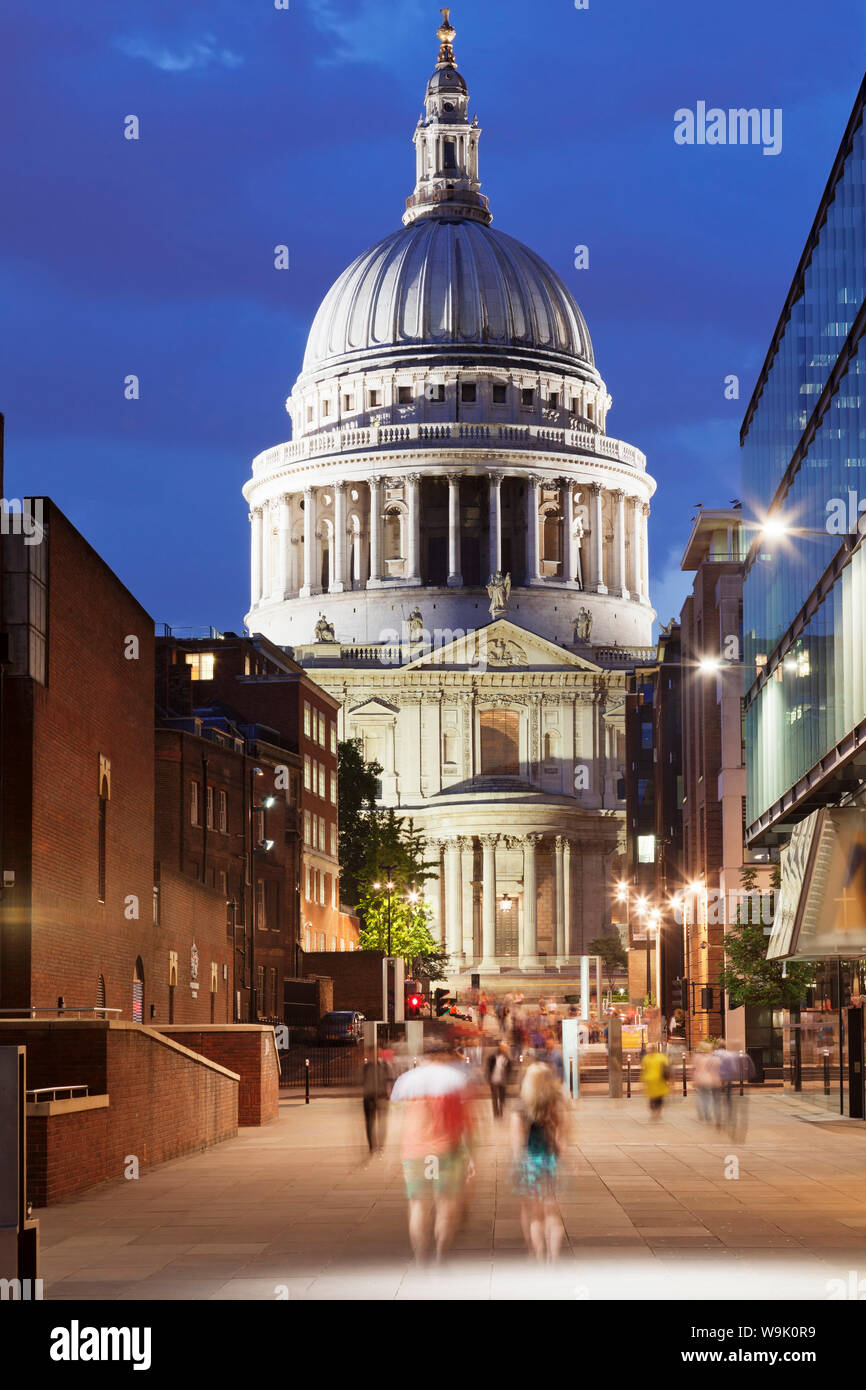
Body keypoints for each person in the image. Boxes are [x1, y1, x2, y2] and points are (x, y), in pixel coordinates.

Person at [389, 1039, 474, 1263]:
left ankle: (419, 1257)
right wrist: (470, 1155)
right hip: (446, 1150)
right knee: (446, 1205)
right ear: (443, 1055)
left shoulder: (405, 1081)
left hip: (415, 1151)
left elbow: (398, 1120)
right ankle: (441, 1255)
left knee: (418, 1206)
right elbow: (464, 1121)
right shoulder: (455, 1080)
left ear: (425, 1055)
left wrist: (393, 1152)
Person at [511, 1063, 566, 1262]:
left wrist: (517, 1165)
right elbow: (561, 1138)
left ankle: (540, 1256)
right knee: (552, 1214)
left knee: (535, 1216)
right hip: (550, 1161)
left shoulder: (520, 1107)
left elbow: (518, 1142)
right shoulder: (553, 1105)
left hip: (529, 1163)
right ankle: (554, 1258)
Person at [361, 1054, 387, 1154]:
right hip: (369, 1096)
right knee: (370, 1122)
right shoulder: (366, 1067)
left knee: (380, 1122)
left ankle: (379, 1145)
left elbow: (387, 1080)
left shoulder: (383, 1065)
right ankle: (372, 1146)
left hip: (379, 1096)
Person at [692, 1042, 722, 1124]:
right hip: (710, 1079)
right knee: (708, 1097)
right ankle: (708, 1114)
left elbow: (694, 1068)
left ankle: (704, 1112)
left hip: (700, 1079)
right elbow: (717, 1069)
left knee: (701, 1096)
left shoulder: (697, 1057)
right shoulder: (713, 1058)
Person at [640, 1044, 670, 1119]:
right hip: (660, 1080)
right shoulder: (662, 1057)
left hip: (650, 1080)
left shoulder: (646, 1058)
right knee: (659, 1098)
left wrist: (642, 1081)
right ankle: (658, 1113)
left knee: (652, 1098)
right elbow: (667, 1069)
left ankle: (654, 1112)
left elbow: (643, 1070)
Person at [487, 1041, 511, 1118]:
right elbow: (489, 1068)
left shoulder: (507, 1058)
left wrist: (507, 1078)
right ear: (500, 1047)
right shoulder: (493, 1056)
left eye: (506, 1048)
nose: (506, 1049)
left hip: (503, 1080)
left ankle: (501, 1112)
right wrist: (489, 1079)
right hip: (494, 1079)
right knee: (494, 1098)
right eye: (504, 1047)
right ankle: (496, 1114)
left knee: (502, 1098)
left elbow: (509, 1069)